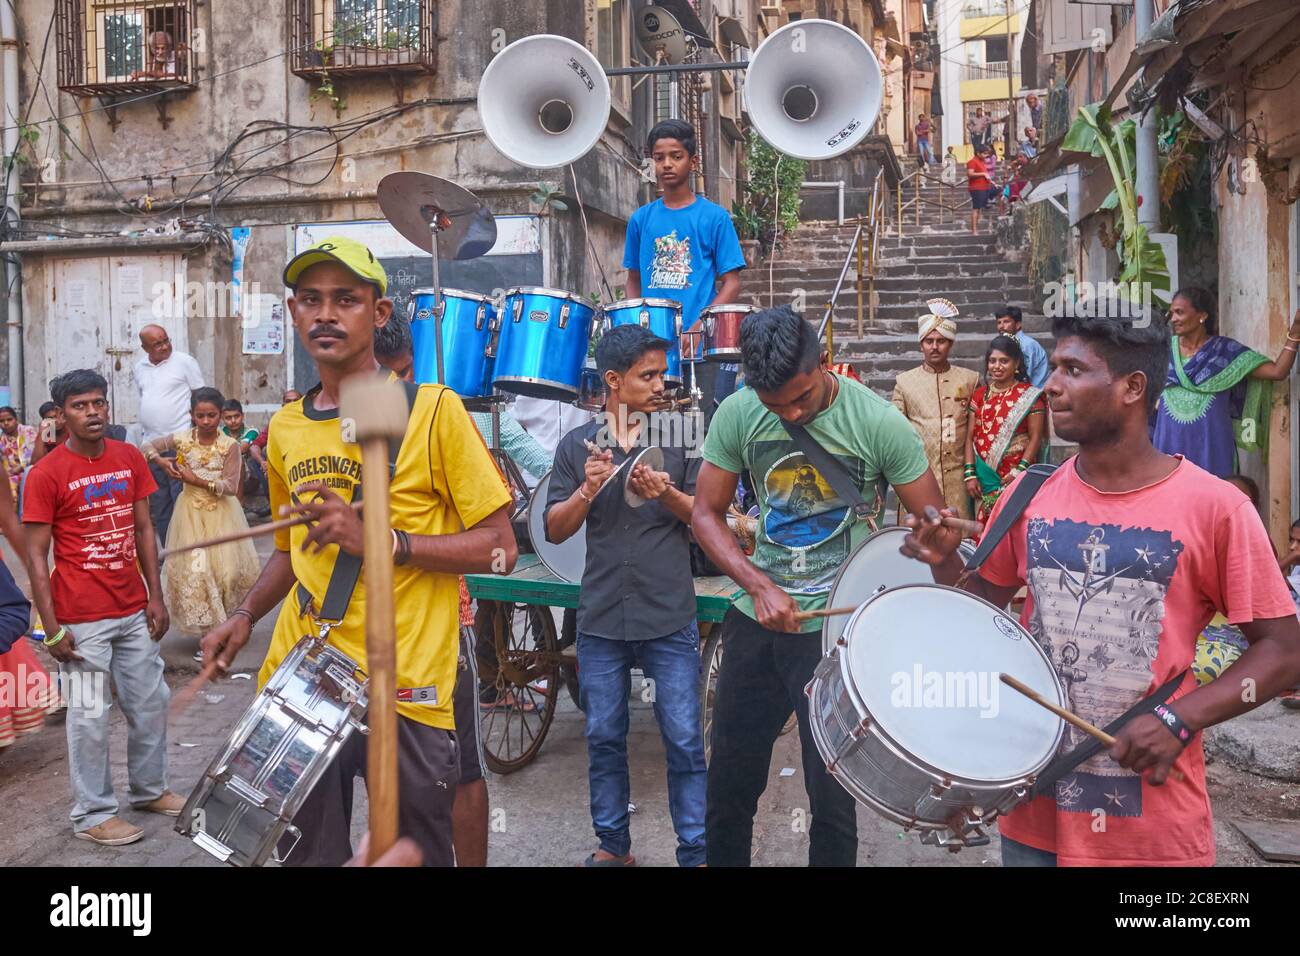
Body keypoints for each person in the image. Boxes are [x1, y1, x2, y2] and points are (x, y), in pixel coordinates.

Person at [903, 314, 1300, 866]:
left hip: (1153, 833)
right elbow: (979, 620)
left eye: (1072, 370)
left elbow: (1285, 651)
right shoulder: (1026, 493)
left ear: (1132, 388)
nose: (1051, 384)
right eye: (1054, 367)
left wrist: (1179, 718)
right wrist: (944, 562)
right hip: (1034, 811)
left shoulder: (1216, 507)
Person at [199, 236, 517, 868]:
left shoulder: (432, 411)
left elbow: (500, 549)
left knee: (409, 854)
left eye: (346, 300)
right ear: (293, 313)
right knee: (305, 853)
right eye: (311, 300)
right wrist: (243, 616)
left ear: (377, 314)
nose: (325, 314)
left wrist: (389, 543)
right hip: (306, 677)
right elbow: (294, 553)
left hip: (406, 681)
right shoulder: (287, 428)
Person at [690, 305, 947, 866]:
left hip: (836, 632)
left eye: (802, 397)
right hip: (755, 620)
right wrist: (756, 584)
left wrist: (931, 541)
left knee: (832, 798)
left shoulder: (879, 424)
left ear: (825, 364)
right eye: (775, 404)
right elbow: (705, 514)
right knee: (729, 786)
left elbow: (934, 525)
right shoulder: (736, 413)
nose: (792, 412)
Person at [373, 308, 540, 867]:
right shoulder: (319, 423)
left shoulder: (439, 409)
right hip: (354, 631)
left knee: (458, 766)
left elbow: (499, 543)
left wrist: (401, 544)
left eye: (399, 374)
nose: (391, 387)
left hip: (439, 622)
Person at [545, 324, 706, 867]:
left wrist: (670, 495)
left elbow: (708, 522)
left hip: (669, 612)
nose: (661, 384)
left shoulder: (685, 436)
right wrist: (589, 489)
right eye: (648, 375)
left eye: (663, 373)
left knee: (685, 740)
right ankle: (614, 848)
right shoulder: (578, 445)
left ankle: (695, 850)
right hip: (602, 618)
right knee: (605, 736)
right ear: (614, 381)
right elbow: (556, 529)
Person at [23, 369, 180, 847]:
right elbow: (35, 554)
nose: (92, 412)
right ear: (60, 415)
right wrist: (51, 631)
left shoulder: (128, 456)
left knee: (150, 703)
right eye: (80, 406)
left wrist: (155, 594)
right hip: (80, 620)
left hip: (133, 609)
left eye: (98, 403)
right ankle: (93, 813)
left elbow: (145, 530)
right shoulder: (46, 474)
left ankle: (149, 790)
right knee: (90, 717)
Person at [625, 118, 746, 416]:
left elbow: (732, 283)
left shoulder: (715, 218)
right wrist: (633, 328)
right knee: (654, 431)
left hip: (700, 350)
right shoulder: (641, 220)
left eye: (676, 156)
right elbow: (633, 279)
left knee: (697, 431)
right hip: (650, 351)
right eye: (659, 157)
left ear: (692, 162)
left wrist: (698, 328)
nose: (667, 164)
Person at [143, 387, 258, 640]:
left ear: (220, 416)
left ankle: (229, 624)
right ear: (191, 415)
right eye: (200, 416)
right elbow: (146, 445)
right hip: (190, 517)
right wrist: (160, 461)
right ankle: (211, 633)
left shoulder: (230, 446)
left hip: (223, 516)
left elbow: (229, 487)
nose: (206, 421)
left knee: (227, 572)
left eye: (212, 416)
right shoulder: (183, 439)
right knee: (198, 570)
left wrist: (196, 480)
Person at [1151, 287, 1300, 478]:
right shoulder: (1162, 351)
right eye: (1171, 313)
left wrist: (1294, 334)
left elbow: (1277, 371)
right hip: (1168, 449)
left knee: (1214, 502)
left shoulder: (1224, 352)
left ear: (1202, 316)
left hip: (1213, 452)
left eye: (1179, 312)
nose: (1173, 319)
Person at [892, 299, 980, 518]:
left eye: (941, 341)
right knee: (921, 539)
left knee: (962, 539)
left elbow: (978, 432)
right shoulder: (904, 382)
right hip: (919, 477)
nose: (934, 346)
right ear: (921, 344)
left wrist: (972, 473)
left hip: (960, 480)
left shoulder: (970, 379)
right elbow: (895, 431)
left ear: (950, 344)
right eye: (929, 341)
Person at [964, 334, 1047, 525]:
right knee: (984, 532)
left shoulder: (1030, 396)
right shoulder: (979, 395)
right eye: (992, 361)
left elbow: (1036, 438)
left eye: (1004, 361)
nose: (997, 366)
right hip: (984, 478)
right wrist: (970, 474)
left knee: (1013, 528)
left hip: (1014, 477)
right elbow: (969, 438)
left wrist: (1019, 471)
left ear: (1016, 363)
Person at [135, 324, 204, 547]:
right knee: (160, 503)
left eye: (166, 340)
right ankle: (170, 552)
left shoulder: (184, 362)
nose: (165, 346)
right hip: (152, 447)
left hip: (181, 443)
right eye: (157, 344)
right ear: (145, 347)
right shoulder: (139, 368)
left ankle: (187, 553)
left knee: (182, 501)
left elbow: (200, 398)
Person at [995, 305, 1050, 388]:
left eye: (1006, 322)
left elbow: (1023, 378)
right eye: (999, 322)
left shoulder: (1026, 345)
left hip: (1035, 393)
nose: (1001, 326)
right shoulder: (1009, 343)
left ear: (1018, 325)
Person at [0, 406, 37, 504]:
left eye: (9, 419)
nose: (6, 423)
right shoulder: (2, 440)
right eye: (2, 421)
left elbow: (33, 455)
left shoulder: (27, 431)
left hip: (31, 469)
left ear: (16, 419)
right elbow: (5, 463)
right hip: (12, 474)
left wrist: (20, 467)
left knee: (11, 485)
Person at [967, 144, 995, 235]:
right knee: (976, 208)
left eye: (987, 154)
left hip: (985, 186)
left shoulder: (982, 162)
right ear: (978, 153)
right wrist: (982, 174)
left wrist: (993, 183)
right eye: (984, 154)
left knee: (1000, 191)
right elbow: (970, 174)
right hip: (977, 188)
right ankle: (974, 230)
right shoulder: (972, 162)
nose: (986, 156)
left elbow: (986, 176)